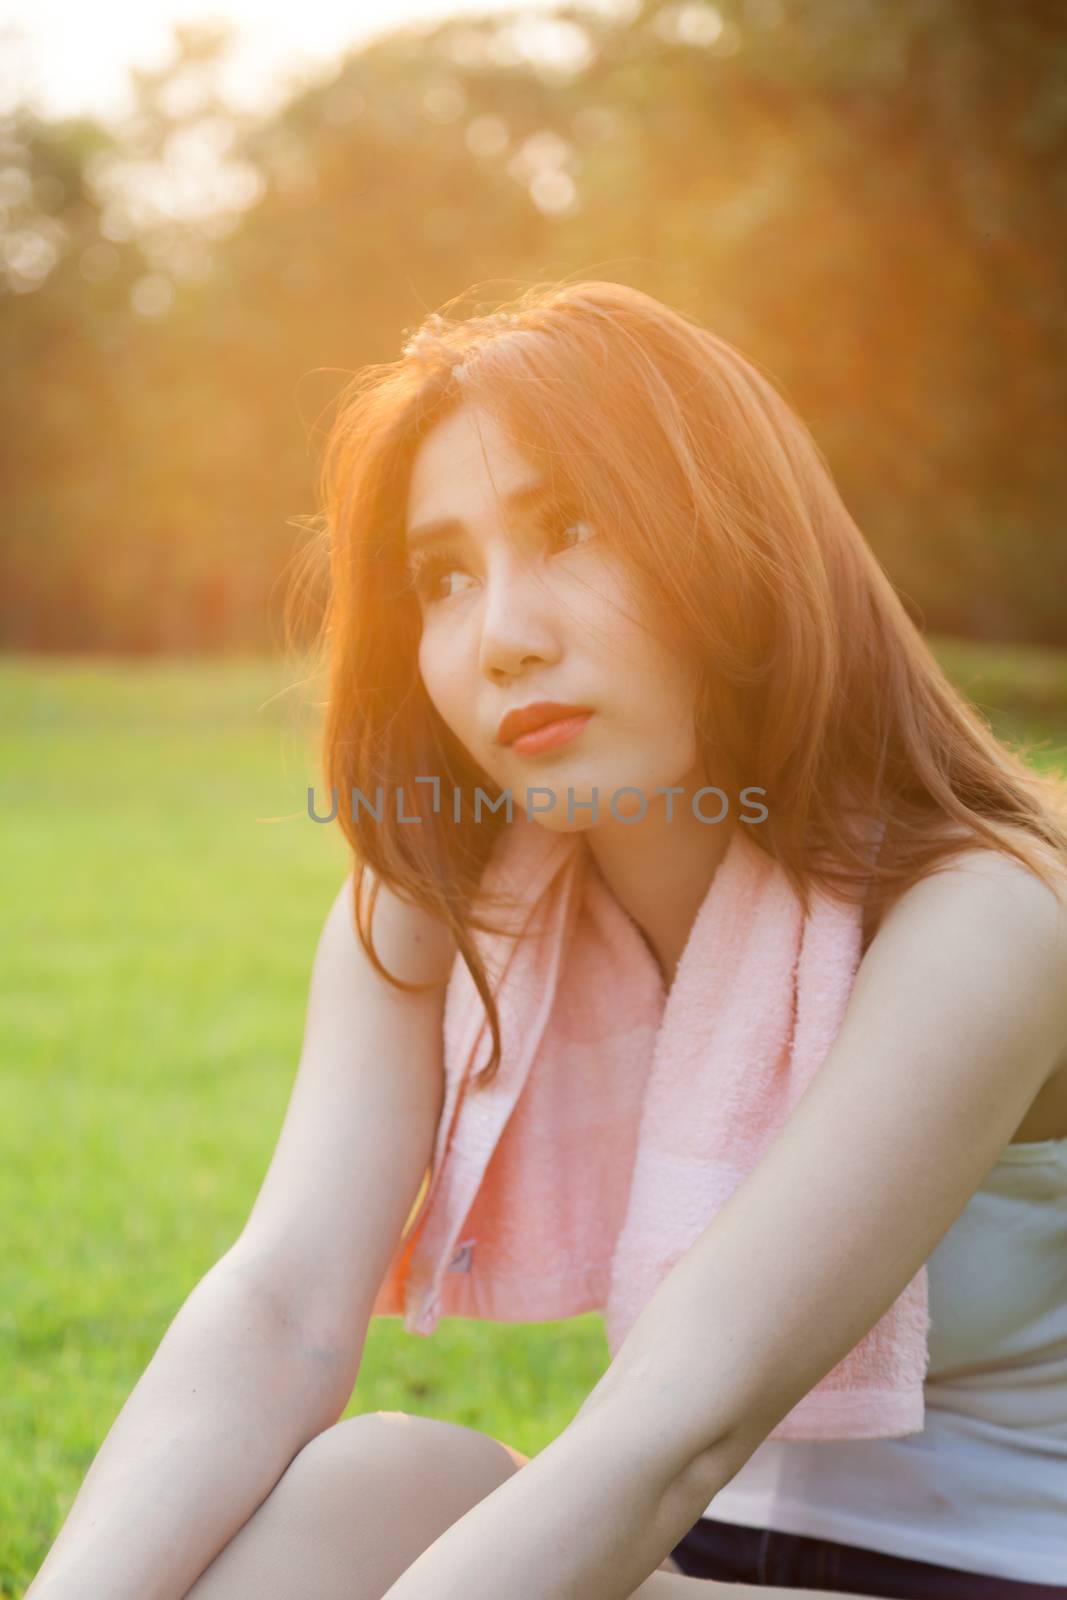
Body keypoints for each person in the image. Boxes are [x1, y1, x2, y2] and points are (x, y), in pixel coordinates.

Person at [27, 280, 1067, 1600]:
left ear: (737, 540)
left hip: (997, 1573)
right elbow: (282, 1307)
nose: (501, 638)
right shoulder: (445, 902)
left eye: (570, 529)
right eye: (445, 578)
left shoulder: (988, 914)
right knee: (373, 1485)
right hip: (701, 1565)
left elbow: (679, 1427)